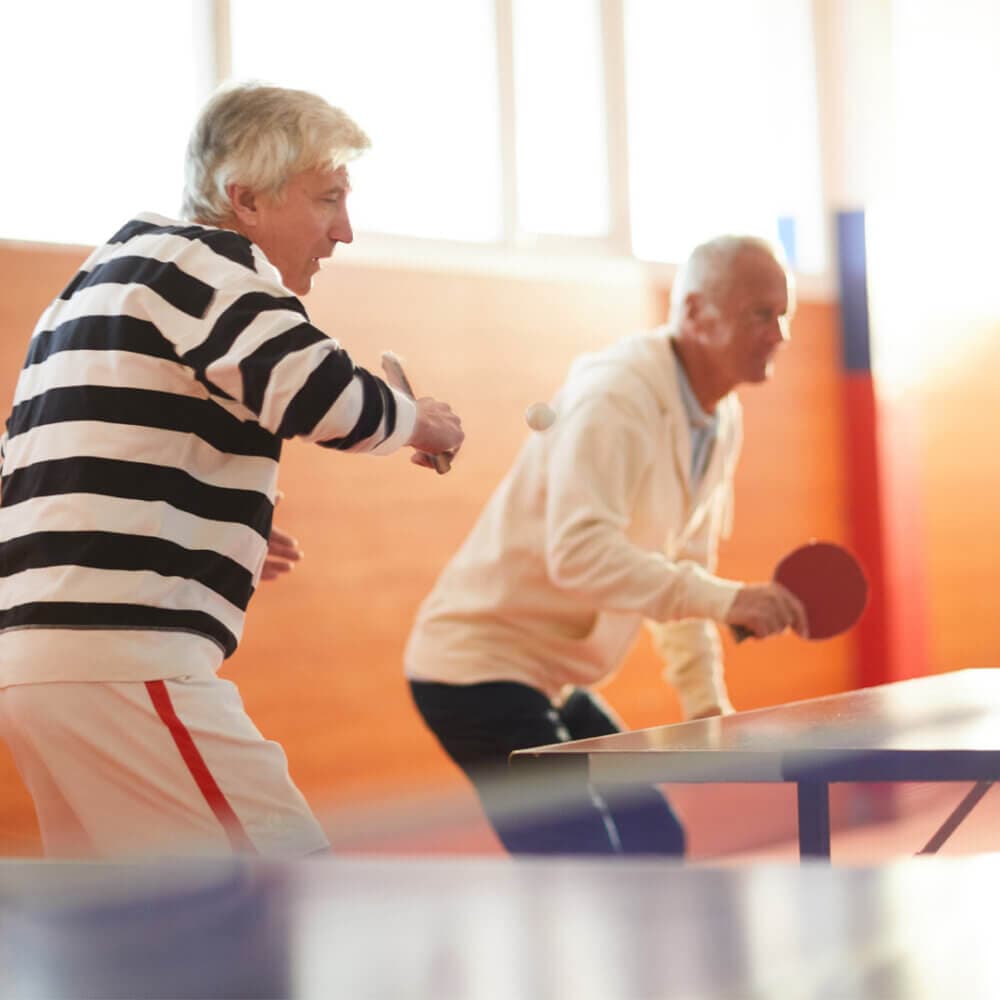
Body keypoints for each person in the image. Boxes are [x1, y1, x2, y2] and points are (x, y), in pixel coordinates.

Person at [0, 82, 463, 858]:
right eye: (328, 198)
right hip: (126, 660)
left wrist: (218, 530)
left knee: (131, 946)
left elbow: (38, 467)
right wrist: (420, 422)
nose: (344, 231)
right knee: (290, 892)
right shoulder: (208, 264)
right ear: (244, 199)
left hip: (42, 668)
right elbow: (316, 390)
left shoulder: (97, 285)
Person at [405, 234, 806, 856]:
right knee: (585, 865)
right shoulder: (617, 396)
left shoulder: (719, 417)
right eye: (762, 313)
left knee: (655, 839)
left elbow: (684, 567)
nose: (779, 332)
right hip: (475, 669)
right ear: (697, 312)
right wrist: (729, 601)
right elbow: (580, 553)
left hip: (553, 675)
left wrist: (705, 704)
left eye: (785, 313)